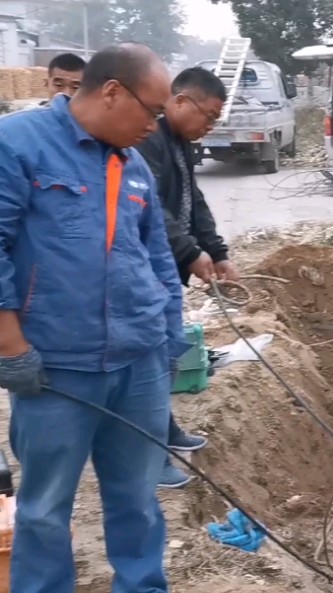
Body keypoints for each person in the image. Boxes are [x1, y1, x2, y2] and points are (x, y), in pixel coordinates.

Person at [0, 43, 190, 592]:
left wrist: (168, 338)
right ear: (111, 91)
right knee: (44, 508)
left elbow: (156, 256)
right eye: (151, 111)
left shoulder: (131, 166)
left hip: (138, 364)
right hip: (56, 368)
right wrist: (11, 347)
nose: (155, 126)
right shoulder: (19, 145)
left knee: (136, 498)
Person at [137, 66, 238, 489]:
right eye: (209, 116)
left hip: (164, 271)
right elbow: (149, 207)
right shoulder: (147, 141)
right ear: (180, 102)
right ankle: (149, 456)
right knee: (146, 366)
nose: (210, 126)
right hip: (142, 269)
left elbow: (192, 203)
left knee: (167, 354)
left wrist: (217, 252)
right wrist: (190, 252)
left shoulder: (179, 145)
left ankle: (165, 426)